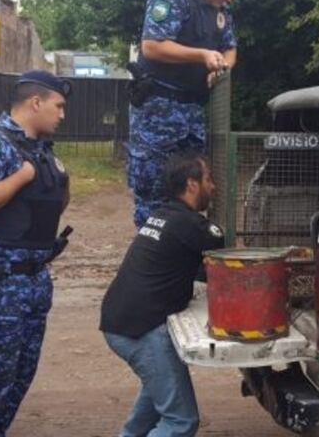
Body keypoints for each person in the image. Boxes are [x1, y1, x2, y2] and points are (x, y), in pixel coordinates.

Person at [0, 70, 73, 437]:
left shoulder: (41, 151)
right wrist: (21, 177)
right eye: (59, 106)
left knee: (19, 377)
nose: (62, 114)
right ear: (35, 102)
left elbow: (53, 202)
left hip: (32, 281)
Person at [100, 151, 226, 437]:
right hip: (141, 330)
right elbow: (223, 254)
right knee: (181, 421)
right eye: (208, 179)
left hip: (123, 321)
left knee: (156, 404)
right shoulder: (190, 224)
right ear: (192, 185)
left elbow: (195, 269)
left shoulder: (163, 215)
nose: (214, 186)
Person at [127, 0, 249, 227]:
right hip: (158, 112)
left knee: (192, 190)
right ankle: (153, 258)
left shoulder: (220, 11)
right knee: (155, 193)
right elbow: (152, 46)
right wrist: (203, 55)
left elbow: (230, 48)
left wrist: (222, 67)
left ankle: (182, 257)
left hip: (192, 112)